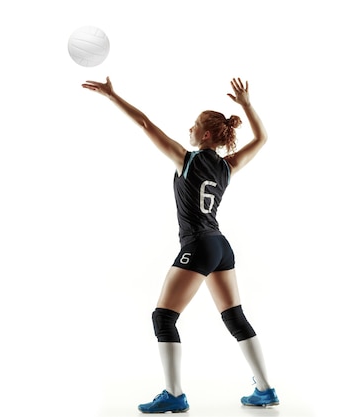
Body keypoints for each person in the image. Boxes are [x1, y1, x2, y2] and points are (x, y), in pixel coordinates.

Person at [82, 77, 279, 413]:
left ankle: (173, 395)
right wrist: (246, 105)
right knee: (235, 317)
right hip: (220, 246)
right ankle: (265, 390)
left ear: (204, 135)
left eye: (194, 125)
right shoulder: (228, 167)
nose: (189, 128)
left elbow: (145, 123)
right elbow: (262, 138)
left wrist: (113, 96)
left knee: (164, 318)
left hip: (199, 244)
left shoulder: (186, 160)